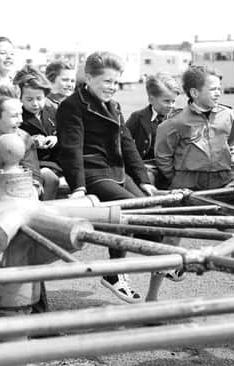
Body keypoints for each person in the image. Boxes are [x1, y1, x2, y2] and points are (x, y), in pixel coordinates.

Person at [56, 51, 156, 303]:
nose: (113, 87)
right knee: (125, 210)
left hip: (117, 171)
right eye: (107, 81)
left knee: (153, 207)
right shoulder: (72, 106)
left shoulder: (113, 105)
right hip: (92, 172)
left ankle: (163, 259)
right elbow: (71, 149)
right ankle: (114, 273)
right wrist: (78, 186)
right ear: (89, 78)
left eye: (116, 82)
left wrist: (143, 179)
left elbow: (127, 142)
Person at [153, 65, 234, 308]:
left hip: (221, 185)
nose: (219, 93)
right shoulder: (176, 121)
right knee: (171, 239)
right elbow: (163, 156)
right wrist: (177, 179)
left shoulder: (227, 115)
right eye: (213, 89)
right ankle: (151, 298)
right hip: (188, 187)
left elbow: (232, 144)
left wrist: (231, 171)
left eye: (220, 88)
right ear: (194, 92)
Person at [125, 72, 181, 188]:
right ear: (151, 99)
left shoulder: (180, 117)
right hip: (148, 166)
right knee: (147, 177)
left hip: (173, 165)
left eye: (173, 101)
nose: (171, 105)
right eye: (166, 101)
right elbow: (123, 141)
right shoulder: (137, 117)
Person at [13, 66, 61, 200]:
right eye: (29, 99)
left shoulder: (52, 112)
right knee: (49, 177)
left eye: (39, 98)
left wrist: (56, 139)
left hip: (55, 161)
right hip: (31, 164)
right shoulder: (18, 116)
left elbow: (65, 134)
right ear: (20, 98)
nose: (35, 103)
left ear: (46, 96)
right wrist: (31, 141)